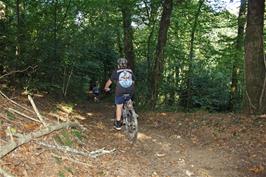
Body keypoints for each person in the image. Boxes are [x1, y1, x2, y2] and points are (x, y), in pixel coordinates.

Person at [104, 58, 135, 130]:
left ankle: (118, 124)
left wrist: (106, 88)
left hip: (120, 91)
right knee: (129, 98)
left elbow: (109, 82)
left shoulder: (116, 71)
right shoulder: (130, 71)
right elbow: (133, 80)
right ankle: (131, 110)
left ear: (118, 65)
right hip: (130, 90)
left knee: (119, 106)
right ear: (126, 64)